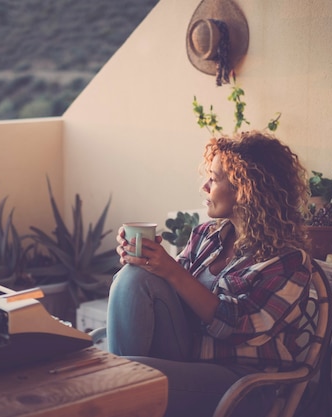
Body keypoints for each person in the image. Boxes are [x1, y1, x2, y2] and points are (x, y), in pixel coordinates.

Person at [107, 130, 313, 417]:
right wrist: (148, 261)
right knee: (134, 276)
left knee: (120, 380)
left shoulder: (288, 262)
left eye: (214, 179)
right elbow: (168, 296)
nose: (205, 186)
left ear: (245, 189)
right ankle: (113, 381)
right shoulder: (206, 235)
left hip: (239, 381)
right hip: (187, 356)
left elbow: (239, 329)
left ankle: (112, 384)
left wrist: (173, 272)